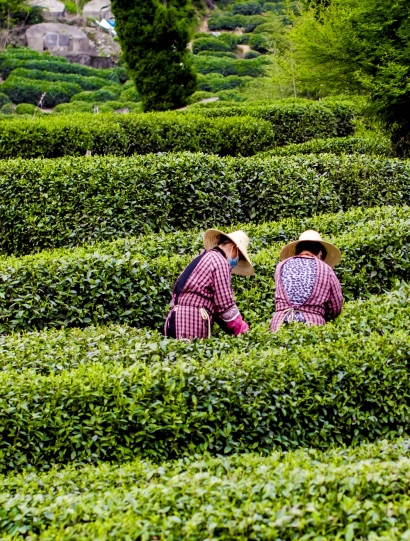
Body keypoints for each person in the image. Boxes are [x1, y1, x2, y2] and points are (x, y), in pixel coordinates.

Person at [164, 229, 254, 340]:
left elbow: (216, 307)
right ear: (234, 247)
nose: (236, 260)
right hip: (190, 321)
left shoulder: (204, 257)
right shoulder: (220, 261)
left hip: (175, 318)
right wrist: (243, 330)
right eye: (238, 255)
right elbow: (225, 304)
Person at [270, 230, 343, 332]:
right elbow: (335, 307)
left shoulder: (281, 266)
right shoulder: (326, 269)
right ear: (320, 253)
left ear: (297, 251)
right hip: (312, 326)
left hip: (280, 324)